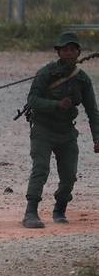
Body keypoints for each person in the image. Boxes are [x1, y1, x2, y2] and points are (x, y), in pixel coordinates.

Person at [21, 32, 99, 228]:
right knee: (41, 169)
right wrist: (56, 105)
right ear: (58, 52)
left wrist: (97, 138)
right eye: (64, 49)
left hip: (67, 132)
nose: (68, 53)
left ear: (78, 52)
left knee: (69, 175)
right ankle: (31, 212)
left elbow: (92, 111)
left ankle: (60, 209)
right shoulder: (46, 73)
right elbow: (32, 100)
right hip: (43, 129)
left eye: (72, 49)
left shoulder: (82, 79)